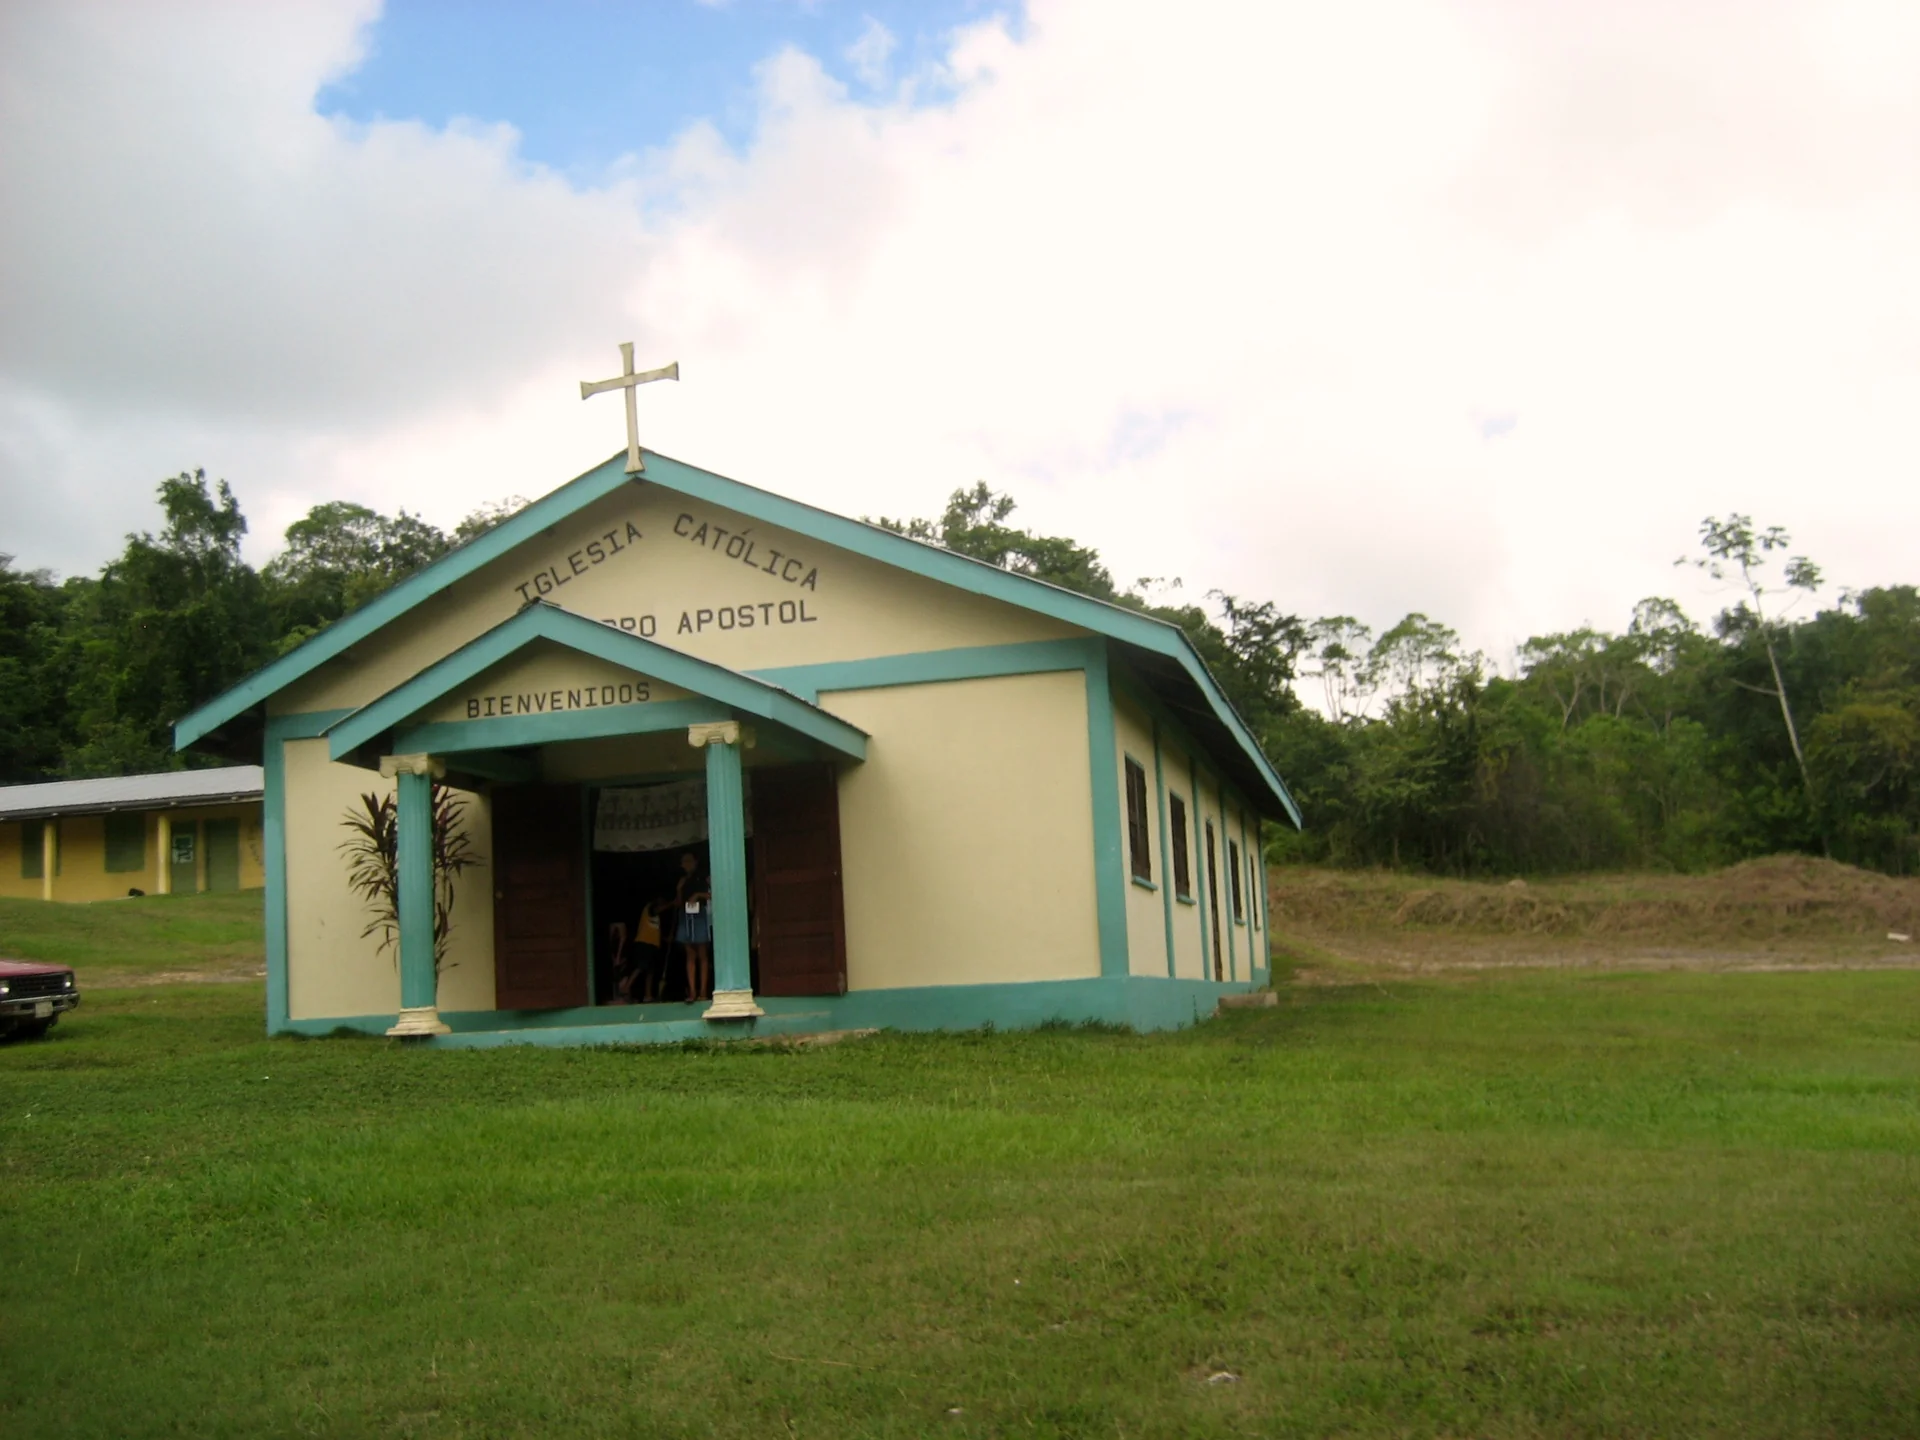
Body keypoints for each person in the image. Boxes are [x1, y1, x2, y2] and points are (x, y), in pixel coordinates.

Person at [676, 850, 713, 1003]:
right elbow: (678, 903)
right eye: (684, 861)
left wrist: (698, 894)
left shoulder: (703, 876)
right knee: (690, 954)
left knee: (702, 954)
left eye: (689, 860)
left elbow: (713, 894)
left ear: (696, 862)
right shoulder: (683, 880)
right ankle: (692, 991)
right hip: (686, 916)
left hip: (699, 915)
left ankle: (703, 992)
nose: (687, 864)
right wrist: (678, 889)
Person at [622, 897, 667, 1002]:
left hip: (652, 944)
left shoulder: (656, 917)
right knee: (641, 966)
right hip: (644, 942)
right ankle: (626, 988)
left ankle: (648, 995)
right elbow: (657, 910)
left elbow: (654, 929)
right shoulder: (650, 908)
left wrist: (665, 939)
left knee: (650, 970)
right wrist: (672, 904)